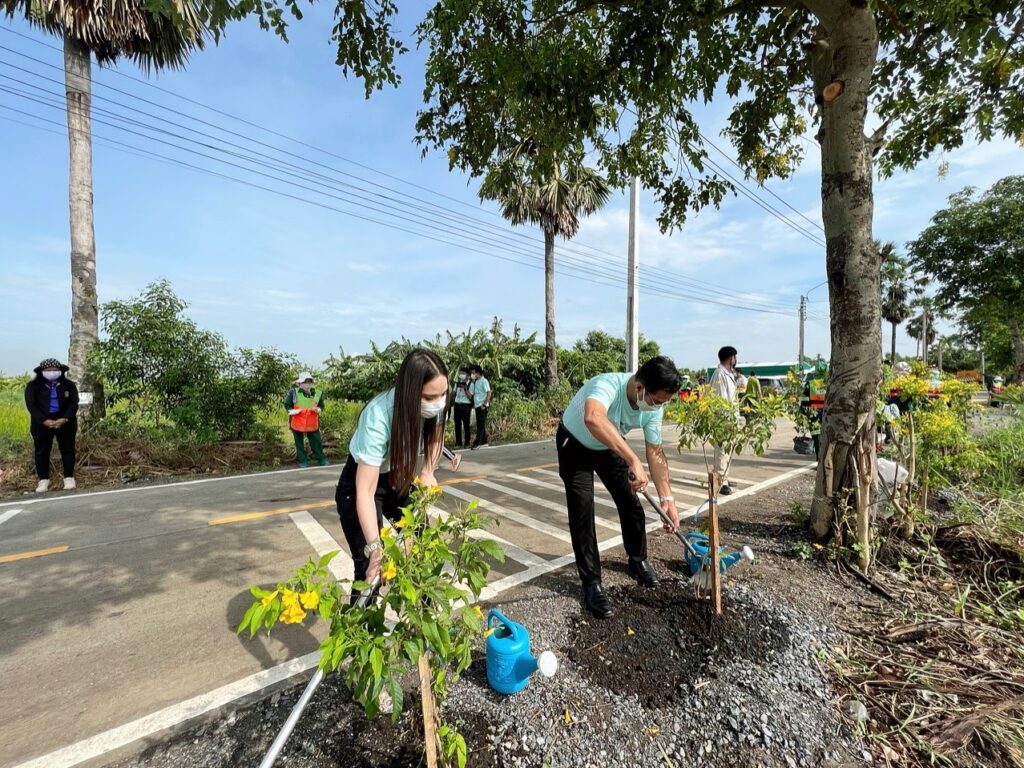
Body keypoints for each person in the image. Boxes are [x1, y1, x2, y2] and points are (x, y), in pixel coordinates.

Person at [557, 355, 682, 619]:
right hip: (575, 444)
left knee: (631, 503)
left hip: (608, 446)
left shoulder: (654, 409)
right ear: (640, 387)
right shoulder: (607, 384)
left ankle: (638, 560)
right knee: (582, 512)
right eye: (656, 401)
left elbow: (655, 452)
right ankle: (592, 584)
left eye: (663, 403)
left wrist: (667, 500)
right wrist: (632, 459)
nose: (658, 407)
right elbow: (593, 417)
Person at [336, 349, 449, 589]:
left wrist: (428, 471)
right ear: (410, 391)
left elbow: (436, 437)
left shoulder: (436, 404)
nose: (437, 403)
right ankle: (363, 611)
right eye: (429, 397)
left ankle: (423, 612)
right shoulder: (378, 416)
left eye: (442, 394)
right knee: (371, 571)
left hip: (396, 477)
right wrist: (375, 548)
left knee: (421, 549)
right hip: (361, 486)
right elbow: (365, 491)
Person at [24, 358, 79, 493]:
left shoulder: (69, 385)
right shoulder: (33, 386)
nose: (52, 372)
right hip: (41, 424)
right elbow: (31, 405)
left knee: (67, 449)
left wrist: (64, 419)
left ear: (60, 371)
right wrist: (44, 420)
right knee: (41, 451)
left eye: (55, 370)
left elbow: (73, 403)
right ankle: (43, 480)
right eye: (49, 370)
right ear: (42, 372)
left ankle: (69, 478)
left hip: (65, 422)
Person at [709, 345, 739, 495]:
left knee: (728, 450)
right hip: (724, 419)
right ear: (730, 358)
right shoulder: (720, 373)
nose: (735, 360)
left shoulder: (728, 373)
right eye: (734, 357)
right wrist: (726, 420)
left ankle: (724, 476)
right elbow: (721, 399)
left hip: (731, 418)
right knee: (722, 449)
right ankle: (719, 481)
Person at [284, 373, 328, 467]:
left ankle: (321, 459)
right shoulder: (293, 393)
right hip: (298, 420)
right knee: (299, 443)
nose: (307, 384)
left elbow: (321, 405)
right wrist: (292, 411)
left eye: (309, 382)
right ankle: (303, 461)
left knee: (316, 441)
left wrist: (319, 409)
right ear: (300, 383)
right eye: (305, 382)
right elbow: (287, 404)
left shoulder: (317, 393)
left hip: (312, 421)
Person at [469, 364, 492, 449]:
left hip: (482, 406)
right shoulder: (475, 382)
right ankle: (484, 441)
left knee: (480, 426)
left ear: (478, 373)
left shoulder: (484, 381)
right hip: (477, 406)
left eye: (473, 373)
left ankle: (477, 443)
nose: (472, 375)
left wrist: (484, 404)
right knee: (481, 424)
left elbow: (489, 393)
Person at [452, 366, 473, 448]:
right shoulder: (457, 383)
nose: (461, 375)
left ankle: (467, 442)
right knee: (457, 424)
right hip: (457, 404)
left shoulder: (471, 384)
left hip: (465, 406)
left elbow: (470, 397)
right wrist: (456, 386)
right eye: (460, 373)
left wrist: (465, 388)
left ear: (468, 375)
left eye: (463, 373)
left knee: (466, 424)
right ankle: (458, 442)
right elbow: (453, 393)